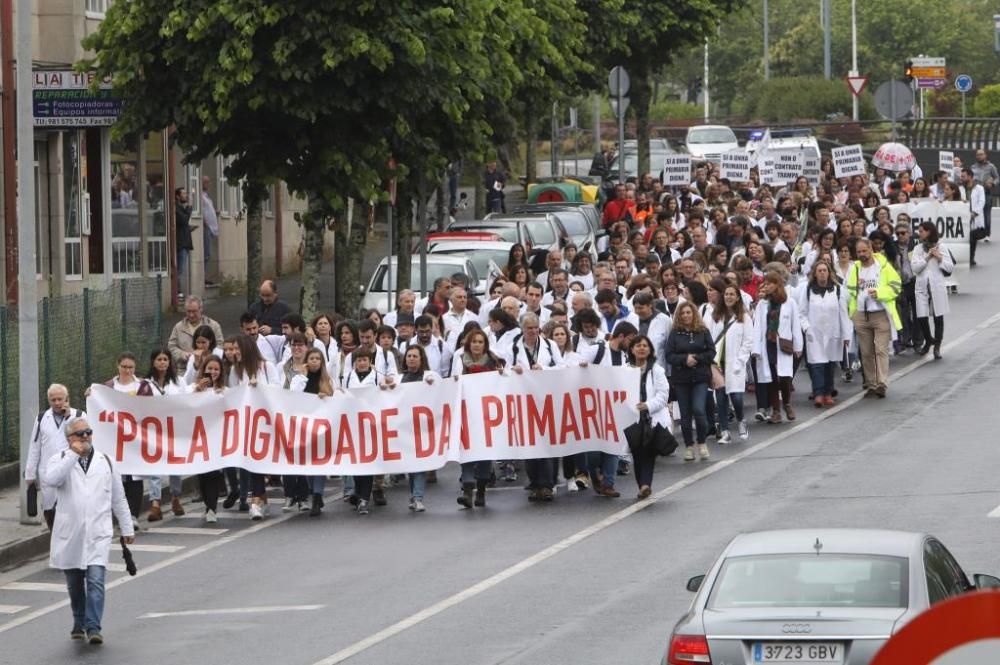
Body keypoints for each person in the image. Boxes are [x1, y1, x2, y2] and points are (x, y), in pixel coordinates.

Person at [42, 416, 134, 645]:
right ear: (69, 439)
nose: (85, 437)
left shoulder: (107, 462)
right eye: (79, 434)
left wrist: (126, 527)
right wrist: (73, 455)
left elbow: (118, 498)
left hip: (98, 532)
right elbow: (51, 479)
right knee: (74, 583)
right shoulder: (60, 459)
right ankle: (78, 620)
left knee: (95, 579)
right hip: (71, 533)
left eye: (88, 432)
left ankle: (93, 626)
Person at [382, 345, 440, 512]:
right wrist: (386, 387)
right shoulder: (398, 379)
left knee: (419, 464)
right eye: (409, 356)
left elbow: (442, 391)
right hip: (403, 428)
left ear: (421, 359)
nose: (412, 358)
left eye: (415, 356)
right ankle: (414, 496)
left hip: (422, 428)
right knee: (410, 464)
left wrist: (431, 385)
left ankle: (418, 497)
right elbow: (384, 393)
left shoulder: (431, 376)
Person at [846, 238, 902, 398]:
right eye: (859, 252)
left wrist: (880, 293)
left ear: (871, 249)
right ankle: (871, 384)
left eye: (864, 251)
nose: (862, 254)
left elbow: (896, 286)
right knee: (866, 352)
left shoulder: (883, 266)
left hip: (880, 314)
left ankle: (882, 382)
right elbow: (849, 291)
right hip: (861, 315)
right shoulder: (854, 269)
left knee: (880, 349)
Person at [456, 329, 506, 508]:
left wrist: (502, 375)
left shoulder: (494, 362)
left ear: (485, 345)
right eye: (474, 342)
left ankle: (482, 490)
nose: (477, 345)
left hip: (487, 415)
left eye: (480, 342)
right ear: (468, 344)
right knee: (467, 450)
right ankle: (468, 490)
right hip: (466, 413)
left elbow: (504, 384)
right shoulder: (460, 360)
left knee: (484, 453)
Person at [25, 384, 84, 530]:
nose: (57, 403)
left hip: (72, 471)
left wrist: (68, 417)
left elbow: (84, 440)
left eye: (60, 399)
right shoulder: (42, 418)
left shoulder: (79, 416)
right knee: (50, 510)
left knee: (71, 509)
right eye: (53, 400)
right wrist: (30, 474)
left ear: (67, 398)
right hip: (48, 472)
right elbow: (35, 447)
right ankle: (56, 539)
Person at [137, 349, 186, 521]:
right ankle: (155, 503)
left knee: (175, 465)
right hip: (154, 431)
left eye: (165, 359)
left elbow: (187, 402)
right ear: (153, 362)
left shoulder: (179, 382)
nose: (163, 362)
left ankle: (175, 497)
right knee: (154, 466)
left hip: (174, 430)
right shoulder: (145, 384)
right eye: (159, 359)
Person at [664, 302, 716, 461]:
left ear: (694, 314)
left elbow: (711, 351)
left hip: (700, 376)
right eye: (683, 313)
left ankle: (702, 442)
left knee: (699, 410)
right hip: (681, 378)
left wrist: (697, 358)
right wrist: (684, 359)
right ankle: (688, 445)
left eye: (689, 312)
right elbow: (669, 355)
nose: (686, 315)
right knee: (685, 414)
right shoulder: (674, 333)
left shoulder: (703, 331)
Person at [290, 348, 336, 515]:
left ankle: (317, 496)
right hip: (303, 427)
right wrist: (302, 376)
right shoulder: (298, 379)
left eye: (318, 358)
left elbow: (337, 401)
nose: (315, 361)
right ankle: (314, 491)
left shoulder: (328, 380)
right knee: (308, 463)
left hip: (322, 428)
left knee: (320, 463)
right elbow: (292, 396)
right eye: (312, 358)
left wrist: (327, 398)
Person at [752, 273, 803, 423]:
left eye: (769, 284)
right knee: (772, 378)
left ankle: (787, 403)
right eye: (765, 284)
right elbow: (758, 327)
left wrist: (798, 345)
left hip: (783, 344)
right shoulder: (762, 304)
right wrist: (756, 348)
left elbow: (795, 324)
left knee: (785, 377)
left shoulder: (790, 302)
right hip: (768, 345)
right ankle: (776, 410)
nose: (766, 287)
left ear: (777, 285)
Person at [798, 262, 851, 408]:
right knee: (816, 365)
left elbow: (843, 314)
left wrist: (846, 336)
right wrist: (807, 329)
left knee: (830, 364)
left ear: (829, 273)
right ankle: (818, 393)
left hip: (833, 333)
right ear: (815, 273)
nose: (822, 273)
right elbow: (802, 313)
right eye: (819, 270)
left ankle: (828, 392)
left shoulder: (837, 290)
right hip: (814, 335)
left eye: (825, 270)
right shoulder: (808, 290)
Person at [706, 283, 754, 443]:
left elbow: (748, 342)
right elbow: (711, 340)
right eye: (726, 294)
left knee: (737, 397)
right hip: (718, 363)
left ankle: (741, 420)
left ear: (738, 297)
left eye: (732, 294)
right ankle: (725, 431)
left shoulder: (744, 318)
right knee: (720, 397)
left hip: (735, 363)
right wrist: (712, 361)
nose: (728, 297)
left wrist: (740, 361)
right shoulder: (716, 316)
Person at [626, 335, 670, 498]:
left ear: (650, 350)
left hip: (652, 418)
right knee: (637, 452)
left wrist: (648, 405)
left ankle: (645, 485)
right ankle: (642, 485)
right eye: (638, 346)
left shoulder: (657, 371)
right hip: (633, 418)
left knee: (649, 452)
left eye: (645, 346)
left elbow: (663, 394)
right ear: (632, 349)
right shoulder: (626, 370)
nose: (642, 348)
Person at [187, 356, 227, 523]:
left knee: (212, 472)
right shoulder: (193, 388)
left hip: (217, 437)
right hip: (199, 437)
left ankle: (212, 507)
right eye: (210, 369)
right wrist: (198, 391)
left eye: (216, 369)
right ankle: (207, 504)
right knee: (202, 473)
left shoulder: (225, 390)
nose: (213, 372)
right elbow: (184, 403)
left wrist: (221, 396)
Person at [911, 221, 954, 360]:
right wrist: (928, 257)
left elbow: (949, 268)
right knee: (922, 316)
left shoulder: (942, 246)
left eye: (922, 230)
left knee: (938, 317)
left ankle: (937, 346)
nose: (920, 233)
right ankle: (929, 339)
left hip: (937, 287)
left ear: (929, 232)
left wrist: (939, 257)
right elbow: (915, 268)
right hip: (922, 287)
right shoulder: (918, 249)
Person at [167, 295, 224, 366]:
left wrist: (207, 356)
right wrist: (181, 354)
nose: (191, 315)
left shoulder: (213, 325)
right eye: (188, 311)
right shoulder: (178, 327)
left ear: (201, 309)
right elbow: (171, 346)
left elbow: (220, 345)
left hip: (208, 367)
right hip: (184, 369)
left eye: (194, 311)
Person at [960, 167, 986, 267]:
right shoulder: (960, 189)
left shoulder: (979, 188)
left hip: (975, 219)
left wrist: (974, 213)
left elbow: (981, 202)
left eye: (963, 176)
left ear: (970, 177)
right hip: (963, 218)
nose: (961, 178)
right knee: (966, 239)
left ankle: (971, 258)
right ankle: (967, 258)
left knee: (972, 238)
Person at [971, 149, 998, 240]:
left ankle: (987, 234)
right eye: (978, 155)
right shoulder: (973, 167)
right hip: (976, 193)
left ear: (985, 155)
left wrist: (993, 183)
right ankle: (976, 232)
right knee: (976, 213)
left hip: (986, 193)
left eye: (981, 154)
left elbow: (997, 178)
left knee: (986, 214)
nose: (979, 156)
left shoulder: (991, 166)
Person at [175, 187, 194, 298]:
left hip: (185, 242)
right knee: (180, 270)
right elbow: (184, 220)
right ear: (177, 196)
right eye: (183, 193)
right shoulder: (176, 207)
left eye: (186, 193)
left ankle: (179, 291)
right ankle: (178, 292)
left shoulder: (180, 207)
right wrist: (190, 207)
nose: (186, 195)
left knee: (182, 269)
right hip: (181, 243)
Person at [201, 175, 219, 281]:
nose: (208, 184)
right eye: (205, 182)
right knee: (206, 254)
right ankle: (204, 277)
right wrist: (205, 223)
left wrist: (215, 212)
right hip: (207, 228)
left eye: (208, 182)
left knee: (208, 254)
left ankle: (205, 276)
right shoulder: (200, 196)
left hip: (211, 228)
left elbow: (208, 210)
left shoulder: (206, 196)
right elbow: (201, 211)